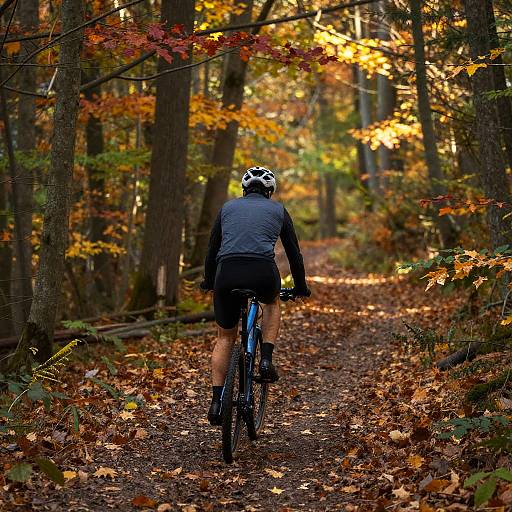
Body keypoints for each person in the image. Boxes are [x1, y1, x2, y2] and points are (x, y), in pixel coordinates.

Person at [200, 166, 311, 426]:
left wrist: (209, 281)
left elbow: (211, 250)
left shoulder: (227, 209)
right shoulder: (279, 210)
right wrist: (301, 287)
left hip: (226, 273)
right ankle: (266, 361)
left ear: (244, 189)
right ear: (270, 191)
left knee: (225, 337)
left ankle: (217, 402)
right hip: (262, 272)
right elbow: (294, 254)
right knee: (271, 303)